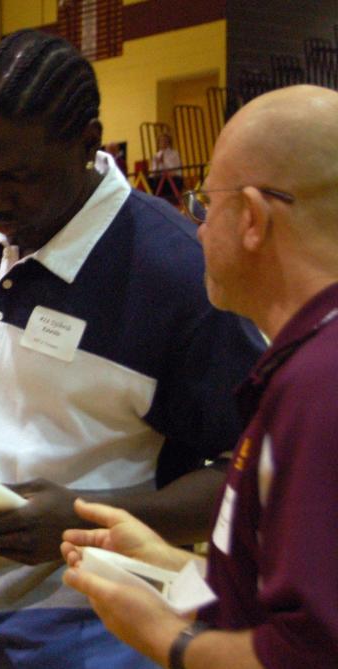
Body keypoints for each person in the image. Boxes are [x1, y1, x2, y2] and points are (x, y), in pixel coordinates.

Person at [0, 30, 265, 668]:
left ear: (87, 144)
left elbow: (250, 477)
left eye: (20, 176)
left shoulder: (179, 272)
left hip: (103, 627)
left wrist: (84, 517)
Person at [61, 84, 338, 668]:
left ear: (254, 220)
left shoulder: (319, 384)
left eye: (206, 207)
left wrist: (166, 637)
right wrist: (169, 566)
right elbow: (287, 600)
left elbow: (309, 653)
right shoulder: (309, 361)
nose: (199, 230)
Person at [150, 132, 183, 202]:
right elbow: (153, 172)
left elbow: (177, 169)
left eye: (165, 141)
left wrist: (164, 163)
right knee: (151, 180)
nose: (163, 143)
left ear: (169, 142)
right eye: (161, 141)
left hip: (173, 177)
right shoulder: (156, 155)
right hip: (160, 178)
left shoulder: (174, 154)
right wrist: (157, 164)